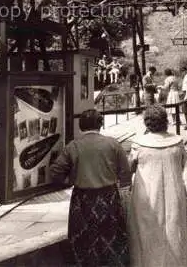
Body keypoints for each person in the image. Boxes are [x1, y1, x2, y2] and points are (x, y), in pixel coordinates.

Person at [49, 109, 131, 267]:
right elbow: (125, 172)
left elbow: (55, 172)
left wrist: (70, 180)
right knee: (112, 238)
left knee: (84, 241)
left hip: (83, 200)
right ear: (100, 125)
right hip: (109, 198)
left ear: (81, 127)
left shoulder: (73, 146)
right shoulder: (113, 144)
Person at [128, 105, 187, 267]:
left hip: (147, 195)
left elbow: (130, 168)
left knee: (146, 231)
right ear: (165, 122)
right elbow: (181, 165)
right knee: (174, 228)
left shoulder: (139, 144)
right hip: (174, 190)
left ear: (147, 123)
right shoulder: (177, 142)